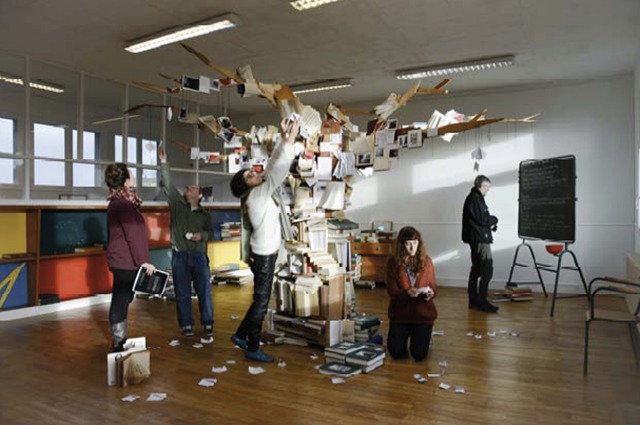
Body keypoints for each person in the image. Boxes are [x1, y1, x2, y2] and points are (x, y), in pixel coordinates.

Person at [228, 117, 300, 363]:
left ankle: (240, 335)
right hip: (264, 255)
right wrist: (289, 139)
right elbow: (278, 170)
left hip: (263, 252)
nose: (255, 174)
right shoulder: (257, 194)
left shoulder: (255, 191)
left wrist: (284, 138)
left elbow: (271, 166)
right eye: (250, 175)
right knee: (261, 301)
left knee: (259, 298)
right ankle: (252, 347)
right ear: (247, 186)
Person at [158, 147, 214, 338]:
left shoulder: (205, 215)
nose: (189, 188)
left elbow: (210, 232)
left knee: (204, 292)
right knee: (182, 293)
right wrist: (164, 162)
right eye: (188, 187)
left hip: (199, 256)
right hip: (180, 256)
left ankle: (207, 323)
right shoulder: (176, 204)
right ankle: (187, 325)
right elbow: (167, 183)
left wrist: (202, 236)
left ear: (199, 196)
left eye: (193, 188)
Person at [105, 163, 156, 352]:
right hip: (125, 261)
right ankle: (118, 342)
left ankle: (119, 339)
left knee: (125, 295)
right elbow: (132, 235)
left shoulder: (119, 202)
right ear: (126, 181)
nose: (134, 177)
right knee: (121, 297)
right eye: (132, 175)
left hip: (124, 260)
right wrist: (144, 261)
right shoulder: (123, 204)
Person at [386, 226, 438, 361]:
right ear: (401, 245)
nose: (412, 247)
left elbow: (433, 287)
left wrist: (430, 293)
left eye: (415, 243)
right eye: (408, 243)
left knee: (419, 355)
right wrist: (408, 293)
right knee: (396, 353)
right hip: (400, 315)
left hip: (422, 315)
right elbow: (393, 292)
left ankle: (425, 337)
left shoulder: (427, 261)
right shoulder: (392, 263)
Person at [462, 174, 499, 313]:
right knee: (487, 269)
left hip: (477, 238)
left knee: (477, 269)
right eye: (487, 187)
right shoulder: (475, 198)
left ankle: (474, 301)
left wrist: (491, 224)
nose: (488, 190)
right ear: (482, 186)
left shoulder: (475, 198)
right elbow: (483, 219)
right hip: (479, 239)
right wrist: (495, 219)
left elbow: (480, 220)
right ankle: (481, 301)